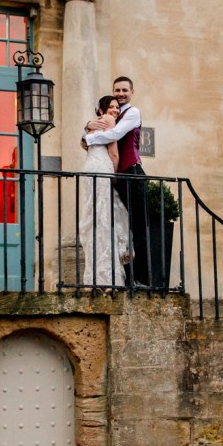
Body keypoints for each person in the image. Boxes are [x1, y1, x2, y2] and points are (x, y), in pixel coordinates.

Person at [84, 76, 150, 286]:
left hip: (132, 172)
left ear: (132, 92)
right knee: (122, 224)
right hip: (119, 176)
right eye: (117, 90)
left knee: (138, 227)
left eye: (124, 90)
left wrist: (88, 137)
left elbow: (115, 134)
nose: (121, 94)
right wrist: (86, 127)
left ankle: (142, 278)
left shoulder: (133, 113)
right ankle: (126, 276)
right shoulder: (114, 115)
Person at [80, 96, 129, 288]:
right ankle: (107, 278)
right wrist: (115, 173)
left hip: (90, 167)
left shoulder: (92, 126)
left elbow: (84, 143)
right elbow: (114, 153)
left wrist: (86, 127)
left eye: (117, 107)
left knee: (94, 218)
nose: (115, 110)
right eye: (111, 107)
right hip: (103, 168)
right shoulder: (109, 120)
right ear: (102, 110)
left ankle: (94, 276)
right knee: (105, 219)